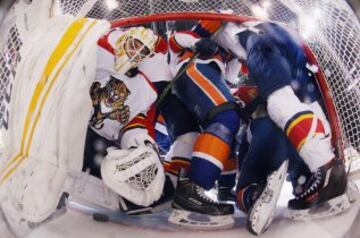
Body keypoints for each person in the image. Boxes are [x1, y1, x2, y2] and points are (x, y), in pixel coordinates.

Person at [190, 19, 349, 233]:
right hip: (292, 47)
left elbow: (202, 41)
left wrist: (198, 46)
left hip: (264, 127)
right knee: (305, 105)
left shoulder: (224, 25)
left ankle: (258, 192)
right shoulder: (253, 28)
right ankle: (317, 176)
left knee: (278, 103)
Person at [165, 24, 241, 229]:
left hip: (205, 76)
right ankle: (192, 191)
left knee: (227, 131)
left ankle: (224, 188)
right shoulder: (223, 18)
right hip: (196, 68)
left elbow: (230, 80)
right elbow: (175, 39)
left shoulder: (235, 49)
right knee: (226, 117)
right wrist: (197, 42)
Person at [88, 26, 173, 208]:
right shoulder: (97, 52)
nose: (136, 53)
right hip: (79, 128)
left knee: (143, 149)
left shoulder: (143, 88)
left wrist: (142, 147)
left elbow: (135, 122)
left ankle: (133, 199)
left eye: (143, 51)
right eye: (135, 45)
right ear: (124, 39)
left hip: (101, 142)